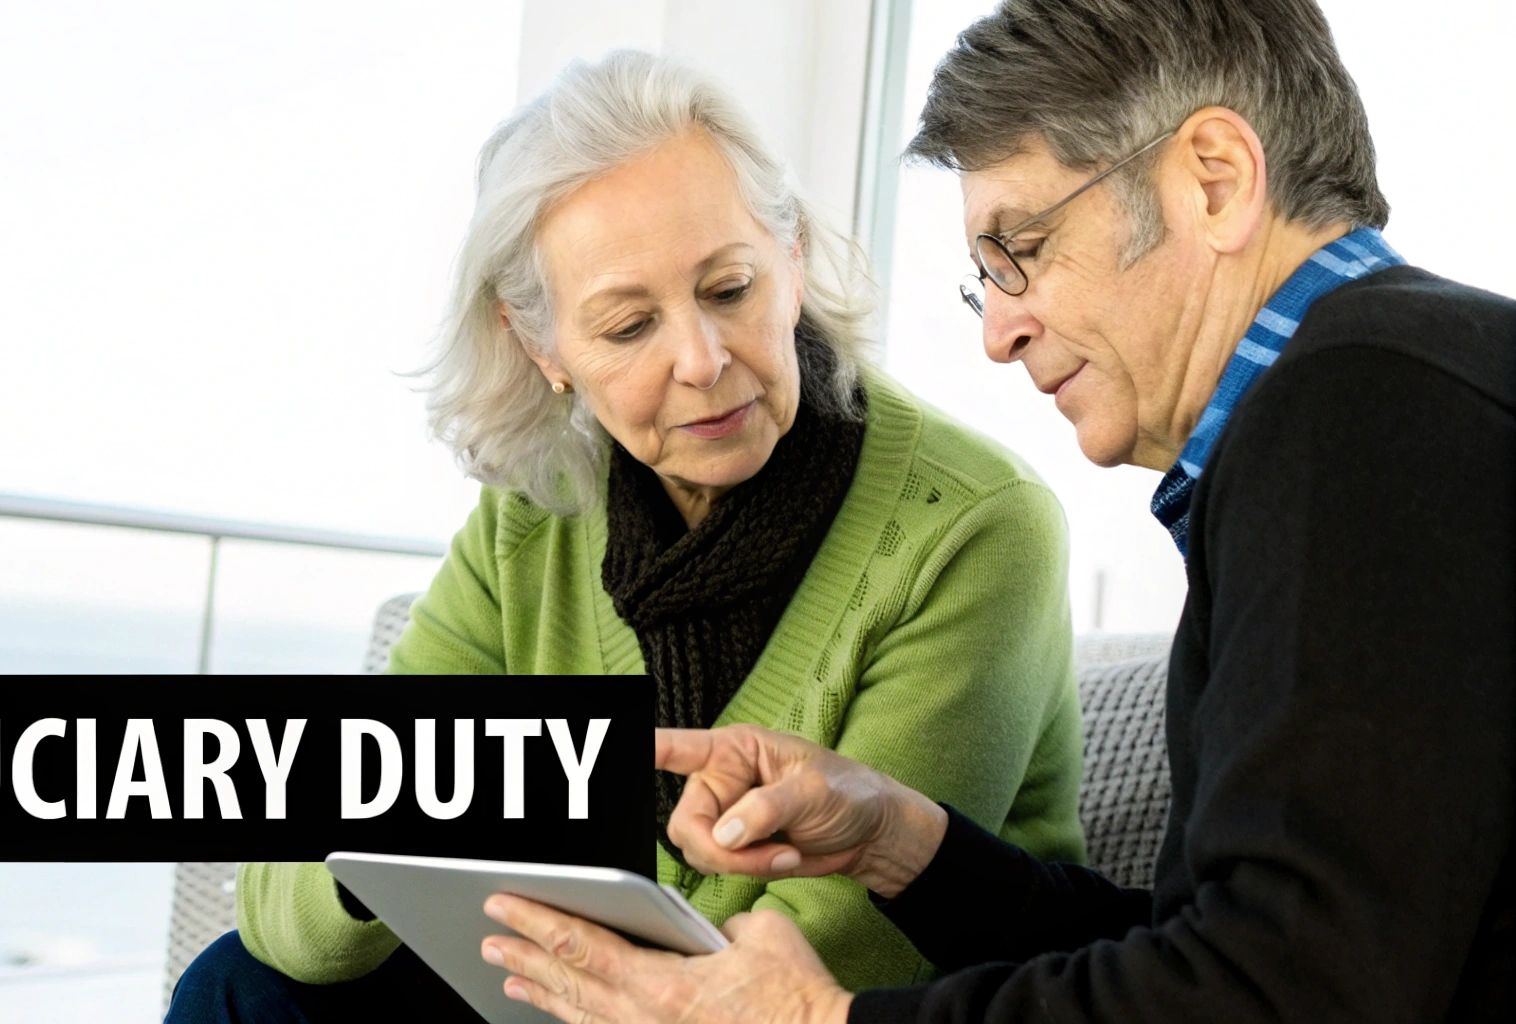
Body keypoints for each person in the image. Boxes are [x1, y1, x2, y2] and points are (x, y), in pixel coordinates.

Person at [472, 1, 1516, 1021]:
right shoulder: (1377, 399)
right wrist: (897, 843)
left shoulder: (1361, 406)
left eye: (1021, 246)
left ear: (1213, 180)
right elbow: (1209, 951)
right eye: (986, 278)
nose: (999, 332)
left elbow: (1287, 990)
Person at [167, 49, 1087, 1021]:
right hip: (567, 997)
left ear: (792, 260)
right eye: (626, 325)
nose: (700, 360)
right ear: (539, 345)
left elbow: (845, 945)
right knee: (237, 985)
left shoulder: (976, 524)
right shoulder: (536, 516)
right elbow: (285, 895)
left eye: (729, 290)